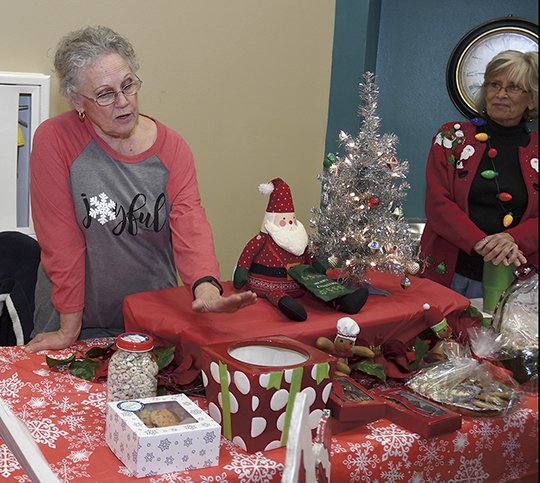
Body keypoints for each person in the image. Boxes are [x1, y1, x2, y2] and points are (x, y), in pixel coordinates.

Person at [25, 26, 256, 353]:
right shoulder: (54, 140)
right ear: (77, 100)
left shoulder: (173, 147)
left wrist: (205, 289)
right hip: (69, 316)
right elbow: (61, 240)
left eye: (128, 85)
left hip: (148, 317)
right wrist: (68, 329)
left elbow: (189, 223)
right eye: (105, 94)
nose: (123, 102)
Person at [420, 50, 538, 298]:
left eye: (514, 87)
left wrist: (510, 238)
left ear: (532, 99)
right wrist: (483, 244)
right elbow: (438, 204)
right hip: (450, 275)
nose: (501, 94)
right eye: (494, 84)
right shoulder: (452, 137)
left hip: (519, 281)